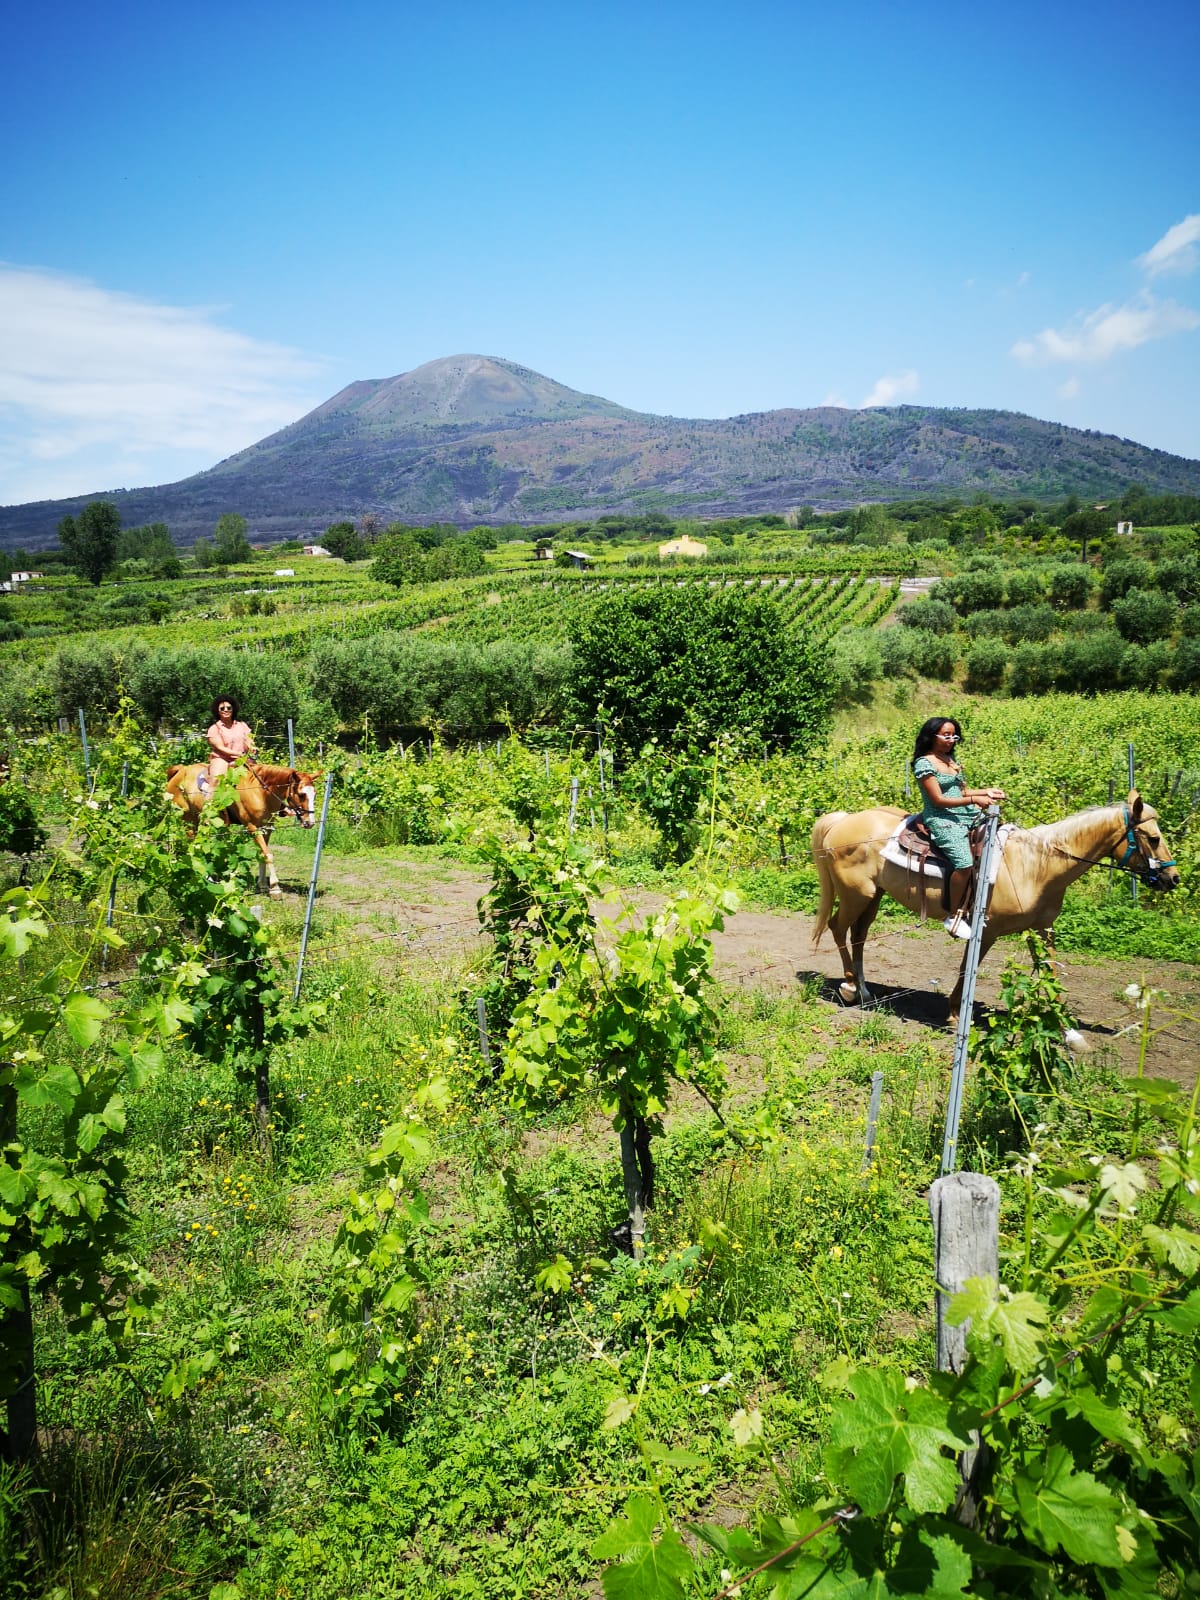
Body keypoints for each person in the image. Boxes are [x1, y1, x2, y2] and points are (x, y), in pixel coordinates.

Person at [911, 716, 1005, 939]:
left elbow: (961, 792)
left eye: (954, 735)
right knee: (963, 863)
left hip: (964, 812)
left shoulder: (950, 759)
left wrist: (987, 792)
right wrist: (975, 801)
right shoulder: (924, 763)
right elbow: (939, 800)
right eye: (946, 735)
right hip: (942, 818)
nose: (951, 739)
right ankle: (953, 915)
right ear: (932, 736)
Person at [204, 694, 257, 792]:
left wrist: (252, 747)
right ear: (218, 711)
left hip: (243, 759)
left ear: (233, 709)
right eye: (222, 708)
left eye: (229, 708)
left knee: (262, 777)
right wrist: (238, 754)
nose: (226, 710)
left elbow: (249, 739)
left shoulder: (242, 725)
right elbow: (220, 747)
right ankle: (210, 804)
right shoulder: (214, 728)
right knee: (216, 781)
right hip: (222, 759)